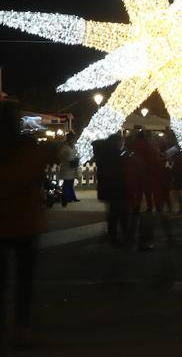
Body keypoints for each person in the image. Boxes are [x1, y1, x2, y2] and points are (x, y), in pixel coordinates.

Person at [0, 101, 55, 345]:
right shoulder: (28, 149)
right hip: (24, 221)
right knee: (24, 280)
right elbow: (49, 159)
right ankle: (21, 328)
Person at [93, 134, 128, 246]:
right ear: (117, 143)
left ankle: (114, 236)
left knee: (114, 213)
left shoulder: (103, 153)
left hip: (107, 187)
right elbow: (118, 170)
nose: (123, 145)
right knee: (119, 212)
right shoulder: (114, 155)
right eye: (122, 143)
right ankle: (117, 237)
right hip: (115, 187)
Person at [57, 132, 81, 206]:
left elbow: (75, 154)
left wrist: (76, 159)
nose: (73, 140)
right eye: (71, 139)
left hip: (72, 167)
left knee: (70, 183)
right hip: (66, 167)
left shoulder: (73, 147)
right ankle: (67, 197)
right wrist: (67, 159)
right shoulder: (64, 147)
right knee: (67, 183)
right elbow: (60, 155)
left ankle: (72, 197)